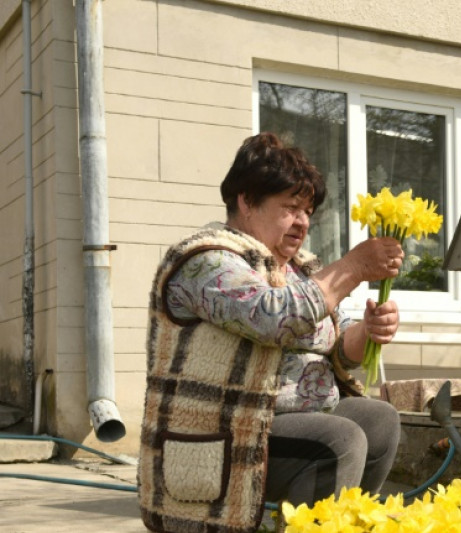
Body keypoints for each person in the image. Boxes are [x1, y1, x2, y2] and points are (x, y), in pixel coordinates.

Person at [138, 132, 403, 533]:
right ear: (246, 200)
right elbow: (273, 317)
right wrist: (352, 268)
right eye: (291, 208)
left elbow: (338, 348)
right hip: (230, 429)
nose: (303, 222)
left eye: (308, 210)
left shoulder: (300, 268)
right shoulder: (207, 260)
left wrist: (367, 331)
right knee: (340, 439)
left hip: (292, 421)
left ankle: (345, 525)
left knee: (379, 420)